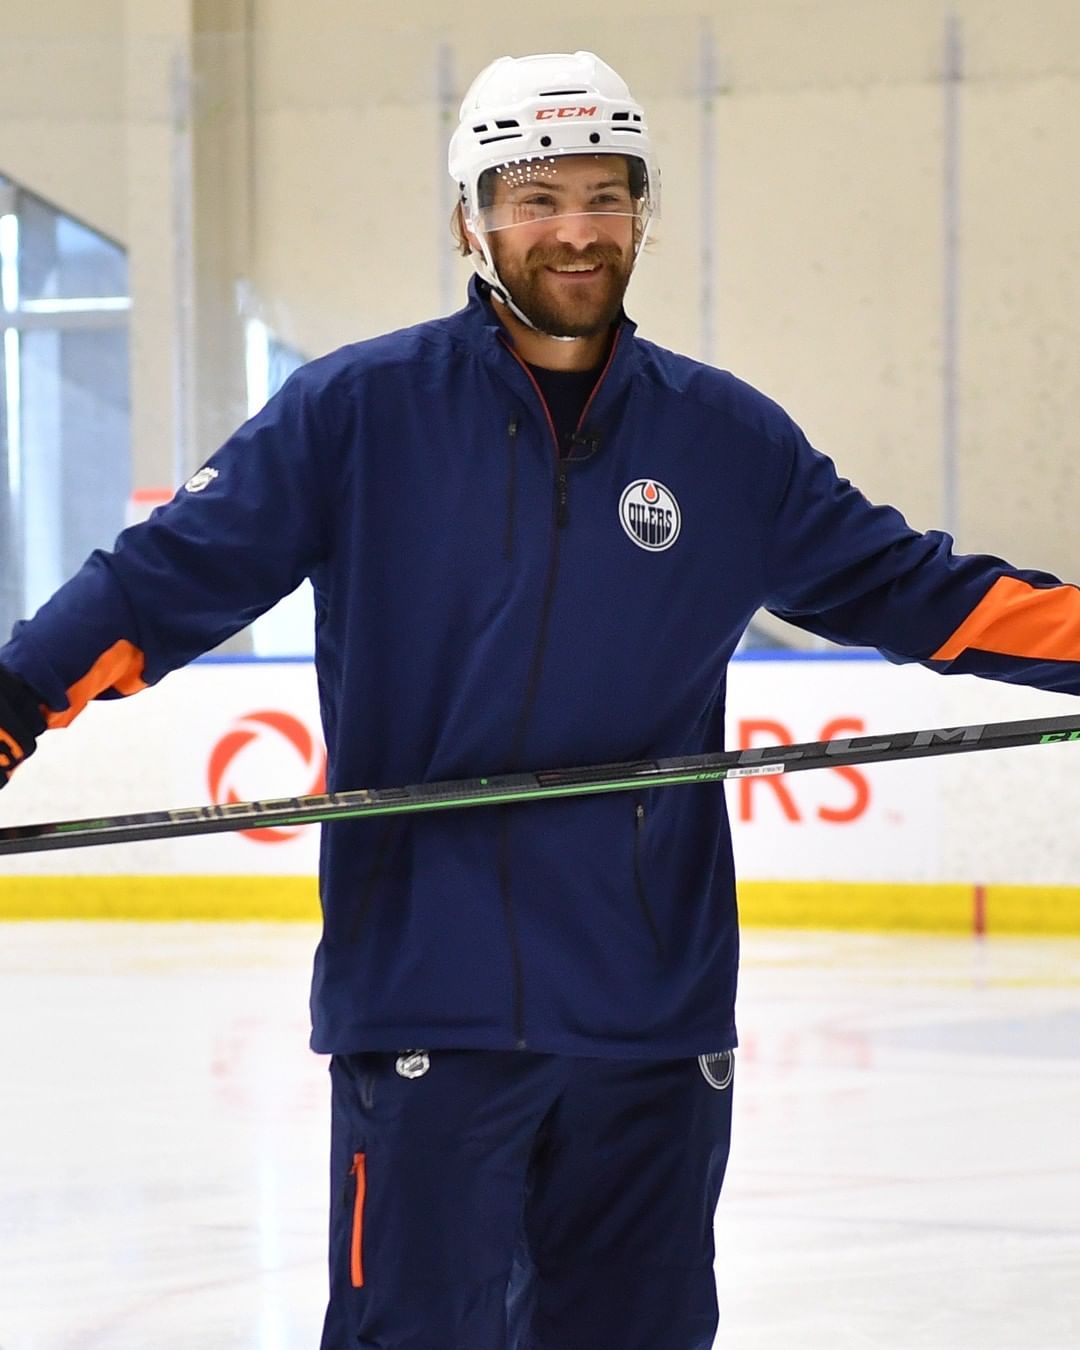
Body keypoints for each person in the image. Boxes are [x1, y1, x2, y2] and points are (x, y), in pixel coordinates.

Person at [1, 47, 1078, 1350]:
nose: (574, 229)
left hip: (652, 1020)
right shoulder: (358, 413)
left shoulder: (726, 442)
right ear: (472, 216)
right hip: (432, 1005)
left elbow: (930, 596)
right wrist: (11, 701)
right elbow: (153, 586)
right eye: (534, 195)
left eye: (605, 195)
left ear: (641, 213)